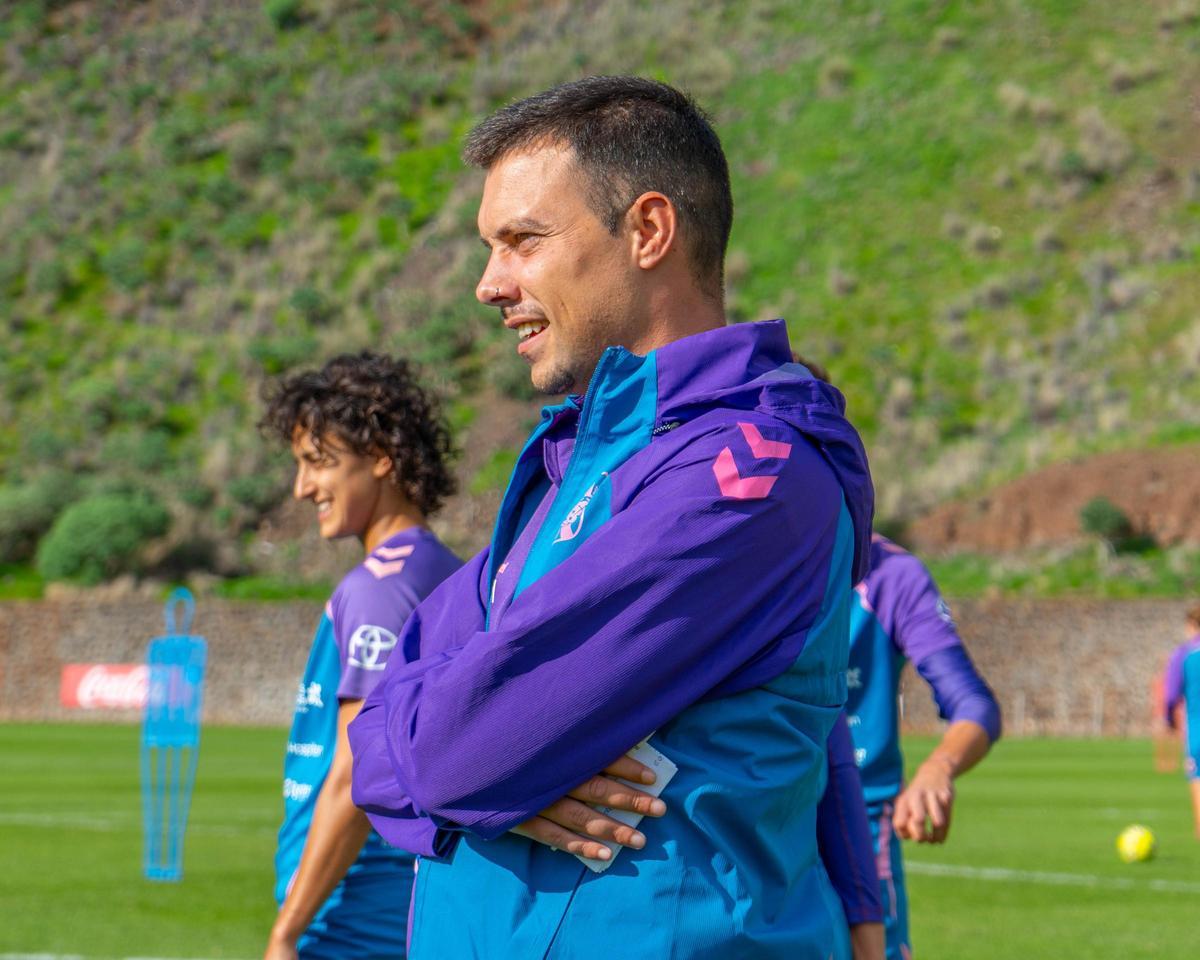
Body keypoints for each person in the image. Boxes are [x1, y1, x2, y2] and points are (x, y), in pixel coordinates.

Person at [348, 76, 875, 959]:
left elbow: (454, 754)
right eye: (490, 247)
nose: (488, 284)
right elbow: (371, 743)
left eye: (522, 241)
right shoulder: (569, 464)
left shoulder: (746, 477)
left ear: (648, 231)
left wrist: (473, 768)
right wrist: (485, 772)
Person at [260, 353, 462, 960]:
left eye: (318, 464)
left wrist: (286, 931)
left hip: (352, 918)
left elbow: (353, 773)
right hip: (403, 909)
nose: (302, 488)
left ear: (381, 458)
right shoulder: (449, 572)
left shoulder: (379, 589)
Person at [848, 533, 1002, 959]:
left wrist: (939, 766)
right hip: (760, 822)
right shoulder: (753, 553)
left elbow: (972, 702)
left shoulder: (892, 575)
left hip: (862, 829)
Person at [1161, 604, 1200, 838]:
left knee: (1198, 777)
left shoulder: (1183, 654)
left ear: (1191, 625)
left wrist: (1169, 721)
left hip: (1197, 731)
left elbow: (1171, 695)